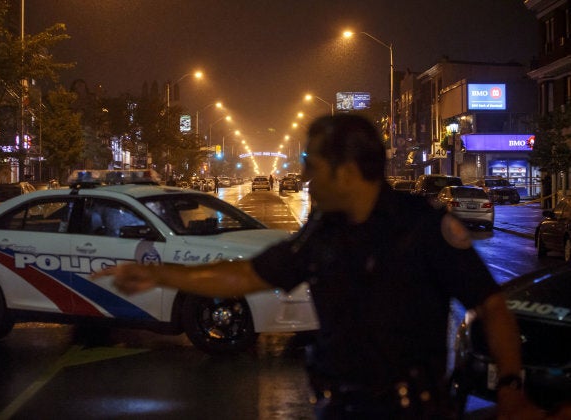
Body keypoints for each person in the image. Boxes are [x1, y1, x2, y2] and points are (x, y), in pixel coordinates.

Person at [93, 114, 543, 419]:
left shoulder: (424, 228)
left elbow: (493, 307)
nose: (305, 177)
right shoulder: (324, 231)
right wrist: (159, 274)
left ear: (346, 171)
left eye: (312, 165)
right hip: (337, 407)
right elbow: (250, 275)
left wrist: (510, 388)